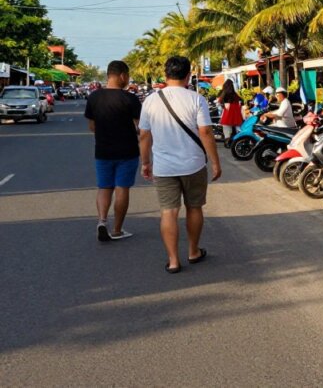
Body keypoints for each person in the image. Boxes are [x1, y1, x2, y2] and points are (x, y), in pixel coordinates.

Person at [139, 56, 222, 274]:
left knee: (169, 212)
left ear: (165, 75)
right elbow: (205, 132)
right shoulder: (196, 99)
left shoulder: (150, 101)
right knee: (194, 207)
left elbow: (144, 136)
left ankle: (173, 260)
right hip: (193, 164)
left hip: (164, 167)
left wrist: (145, 162)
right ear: (188, 75)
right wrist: (215, 162)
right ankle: (193, 251)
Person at [85, 60, 142, 242]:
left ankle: (102, 221)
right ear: (123, 76)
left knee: (104, 187)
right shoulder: (130, 99)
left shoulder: (94, 97)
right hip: (127, 151)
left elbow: (91, 126)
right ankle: (117, 229)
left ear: (108, 75)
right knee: (122, 188)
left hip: (102, 150)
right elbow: (139, 127)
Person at [217, 80, 243, 146]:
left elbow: (220, 101)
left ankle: (227, 142)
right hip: (236, 114)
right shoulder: (235, 94)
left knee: (227, 130)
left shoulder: (224, 93)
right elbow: (241, 100)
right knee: (238, 130)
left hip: (227, 115)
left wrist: (224, 105)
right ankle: (238, 142)